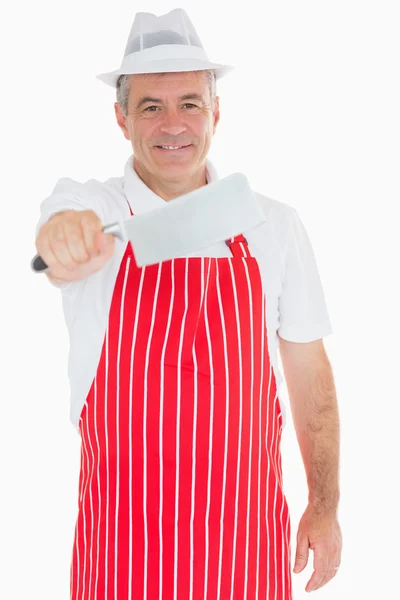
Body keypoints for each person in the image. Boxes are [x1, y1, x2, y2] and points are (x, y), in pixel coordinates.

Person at [34, 8, 342, 599]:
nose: (172, 124)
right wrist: (64, 241)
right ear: (121, 119)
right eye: (151, 106)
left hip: (244, 546)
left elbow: (310, 375)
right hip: (123, 549)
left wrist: (324, 506)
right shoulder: (96, 209)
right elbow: (59, 235)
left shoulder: (272, 225)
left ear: (216, 114)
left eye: (190, 103)